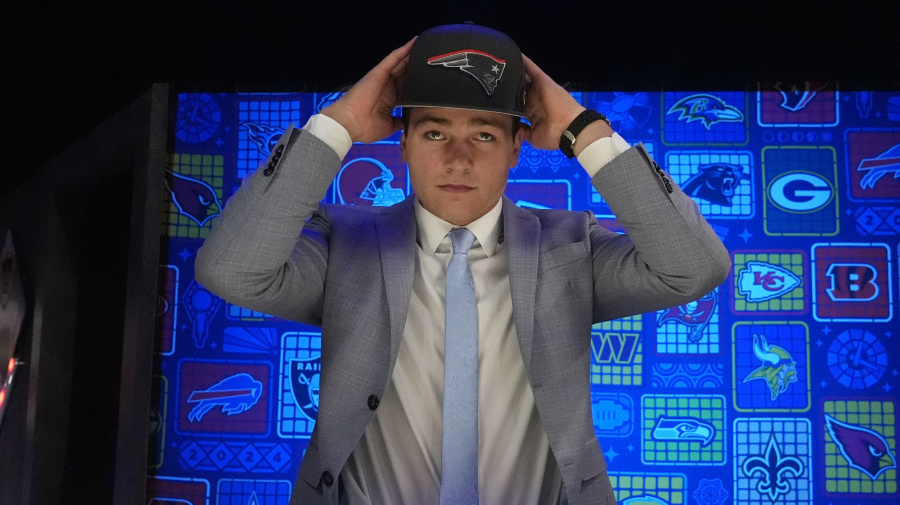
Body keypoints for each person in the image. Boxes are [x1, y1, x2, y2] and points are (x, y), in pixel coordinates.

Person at [196, 23, 731, 505]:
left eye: (483, 133)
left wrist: (581, 127)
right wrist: (338, 125)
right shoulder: (344, 245)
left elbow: (694, 267)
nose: (457, 159)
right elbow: (231, 270)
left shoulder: (571, 247)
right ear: (401, 142)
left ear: (517, 146)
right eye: (433, 133)